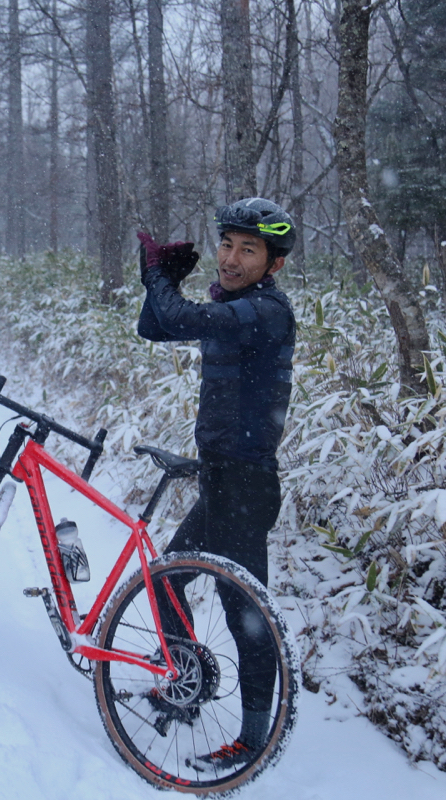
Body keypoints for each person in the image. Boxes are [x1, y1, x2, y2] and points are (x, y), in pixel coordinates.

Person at [136, 197, 297, 769]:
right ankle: (186, 680)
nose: (230, 258)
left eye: (248, 250)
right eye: (226, 245)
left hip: (247, 485)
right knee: (165, 582)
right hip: (221, 480)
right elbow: (155, 326)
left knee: (246, 615)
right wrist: (157, 279)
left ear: (273, 263)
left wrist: (158, 276)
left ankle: (254, 741)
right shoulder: (229, 304)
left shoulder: (265, 312)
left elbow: (177, 318)